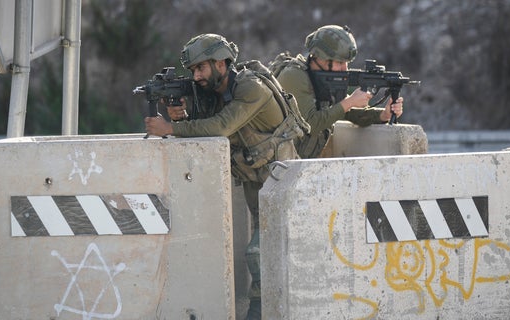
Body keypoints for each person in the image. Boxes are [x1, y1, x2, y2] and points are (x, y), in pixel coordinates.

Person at [145, 33, 301, 320]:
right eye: (192, 70)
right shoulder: (217, 93)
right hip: (259, 187)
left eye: (201, 68)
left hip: (286, 187)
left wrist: (170, 128)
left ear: (221, 63)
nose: (196, 76)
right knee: (266, 256)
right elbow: (204, 129)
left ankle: (259, 312)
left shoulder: (251, 88)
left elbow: (220, 126)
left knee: (259, 253)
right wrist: (179, 117)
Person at [273, 25, 404, 159]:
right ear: (322, 58)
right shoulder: (294, 76)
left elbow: (345, 112)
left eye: (346, 63)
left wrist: (383, 115)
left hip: (295, 161)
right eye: (340, 62)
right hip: (276, 165)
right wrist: (350, 102)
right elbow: (310, 125)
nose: (344, 69)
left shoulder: (321, 76)